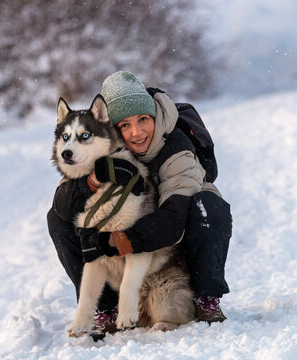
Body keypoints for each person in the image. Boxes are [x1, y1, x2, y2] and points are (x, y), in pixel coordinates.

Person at [47, 71, 232, 332]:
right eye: (125, 125)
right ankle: (106, 307)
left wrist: (114, 241)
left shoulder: (176, 147)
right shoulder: (96, 144)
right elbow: (63, 206)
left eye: (143, 119)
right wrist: (95, 180)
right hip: (124, 263)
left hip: (170, 253)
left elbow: (173, 222)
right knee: (58, 219)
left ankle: (205, 298)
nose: (136, 132)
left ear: (154, 117)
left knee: (208, 207)